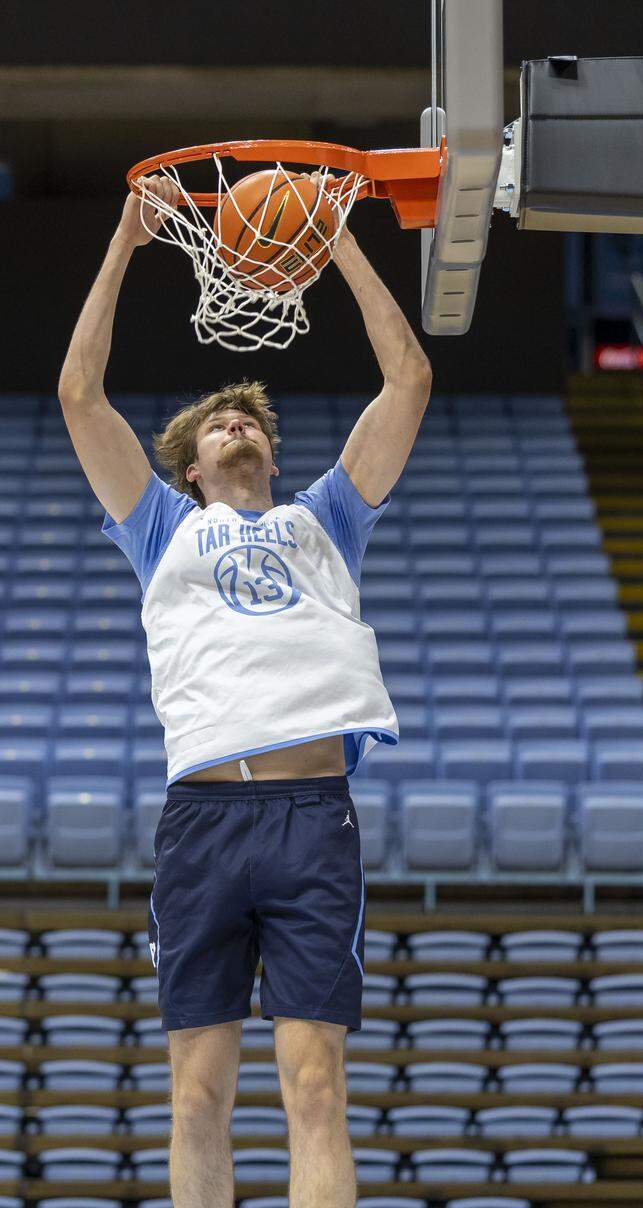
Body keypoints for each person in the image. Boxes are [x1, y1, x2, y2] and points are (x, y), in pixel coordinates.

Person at [57, 176, 433, 1208]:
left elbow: (406, 379)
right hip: (205, 816)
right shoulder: (162, 527)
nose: (235, 421)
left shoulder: (328, 521)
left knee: (315, 1086)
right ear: (190, 464)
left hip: (313, 818)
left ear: (270, 446)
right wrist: (127, 244)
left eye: (249, 415)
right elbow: (79, 396)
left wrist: (338, 237)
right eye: (218, 419)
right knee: (197, 1094)